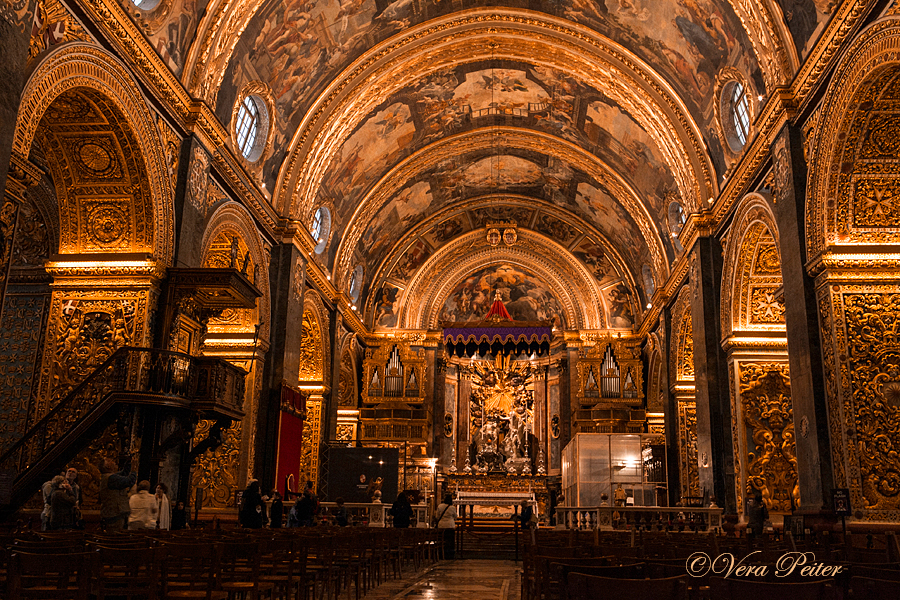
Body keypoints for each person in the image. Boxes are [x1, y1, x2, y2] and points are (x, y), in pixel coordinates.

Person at [99, 456, 136, 530]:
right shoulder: (111, 478)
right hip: (115, 516)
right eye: (110, 460)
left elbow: (123, 473)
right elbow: (130, 481)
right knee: (116, 537)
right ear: (107, 466)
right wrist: (134, 470)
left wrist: (128, 463)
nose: (114, 461)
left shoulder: (110, 477)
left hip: (114, 514)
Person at [435, 494, 457, 559]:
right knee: (450, 541)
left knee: (441, 539)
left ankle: (441, 553)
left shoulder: (440, 506)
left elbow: (437, 516)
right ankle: (450, 554)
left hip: (441, 525)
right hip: (450, 525)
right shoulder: (452, 508)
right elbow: (455, 517)